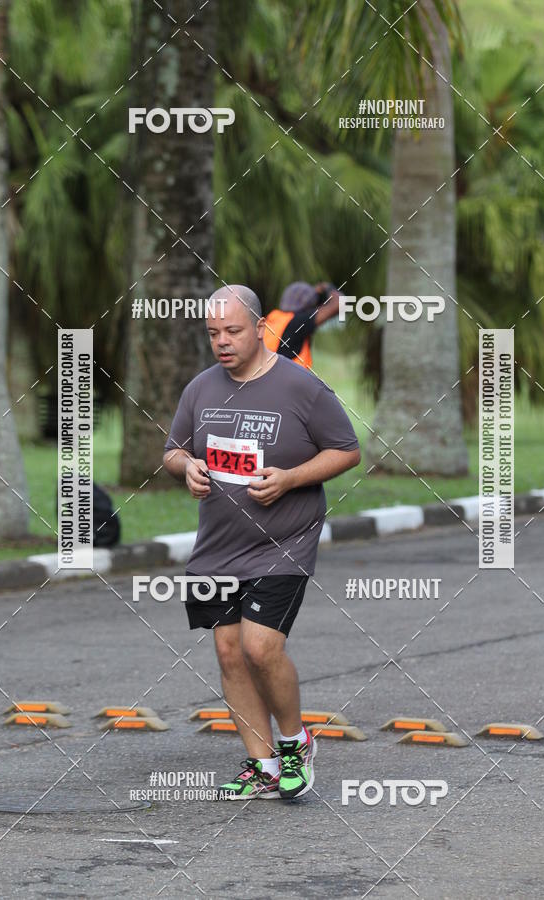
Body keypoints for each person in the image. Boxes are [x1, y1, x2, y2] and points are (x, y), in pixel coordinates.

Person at [162, 284, 360, 800]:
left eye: (231, 331)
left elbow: (346, 450)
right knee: (229, 652)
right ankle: (262, 765)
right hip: (218, 544)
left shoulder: (302, 387)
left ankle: (295, 743)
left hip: (284, 540)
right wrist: (187, 468)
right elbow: (173, 450)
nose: (222, 342)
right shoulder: (200, 389)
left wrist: (290, 479)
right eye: (212, 333)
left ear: (256, 327)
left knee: (260, 646)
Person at [263, 281, 341, 369]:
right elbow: (339, 304)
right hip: (287, 381)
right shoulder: (297, 323)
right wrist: (327, 287)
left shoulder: (273, 319)